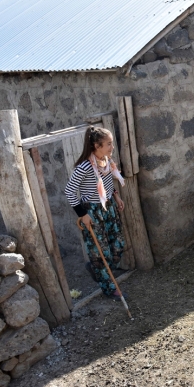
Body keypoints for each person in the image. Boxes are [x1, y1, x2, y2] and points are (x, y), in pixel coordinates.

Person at [64, 126, 127, 299]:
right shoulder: (84, 167)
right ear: (96, 146)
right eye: (108, 144)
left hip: (108, 207)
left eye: (111, 143)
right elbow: (69, 191)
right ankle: (109, 288)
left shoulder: (106, 162)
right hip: (92, 212)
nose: (111, 147)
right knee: (101, 252)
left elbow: (106, 182)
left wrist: (115, 196)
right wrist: (82, 214)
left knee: (118, 245)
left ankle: (96, 269)